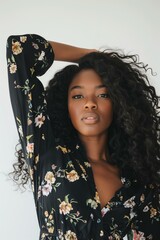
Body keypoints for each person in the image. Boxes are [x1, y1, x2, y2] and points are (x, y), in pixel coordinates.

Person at [6, 34, 160, 240]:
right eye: (78, 96)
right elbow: (20, 50)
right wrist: (93, 57)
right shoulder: (47, 154)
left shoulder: (142, 181)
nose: (90, 103)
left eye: (103, 94)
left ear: (118, 103)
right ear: (64, 105)